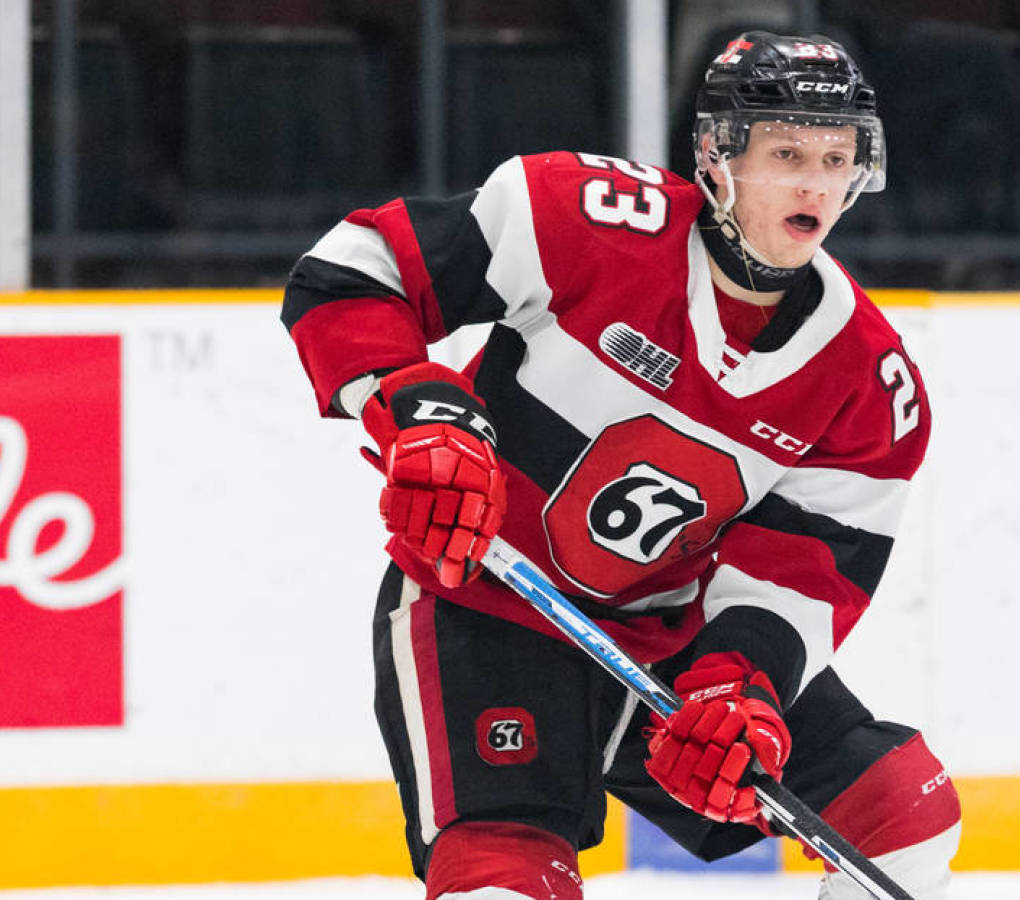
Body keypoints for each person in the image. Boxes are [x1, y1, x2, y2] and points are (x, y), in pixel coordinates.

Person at [281, 30, 962, 900]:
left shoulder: (869, 383)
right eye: (785, 151)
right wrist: (420, 412)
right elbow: (356, 268)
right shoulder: (586, 218)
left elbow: (802, 574)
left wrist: (736, 688)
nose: (813, 184)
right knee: (506, 874)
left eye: (836, 158)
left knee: (903, 810)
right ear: (717, 154)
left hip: (672, 633)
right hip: (484, 600)